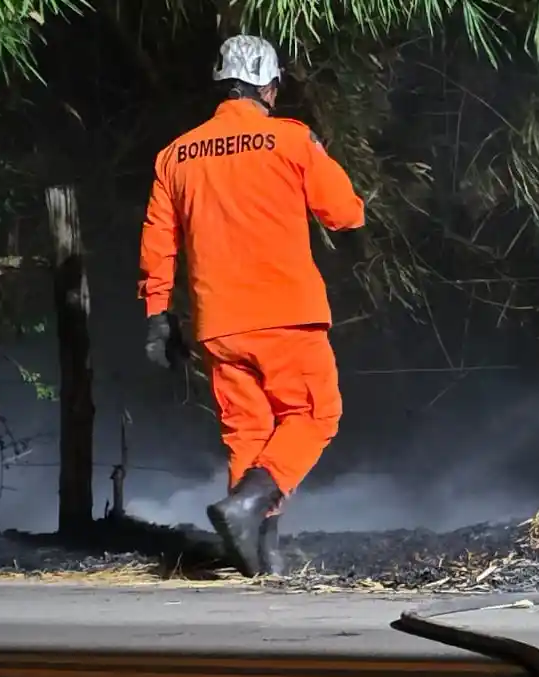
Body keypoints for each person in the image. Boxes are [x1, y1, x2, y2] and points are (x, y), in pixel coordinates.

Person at [138, 34, 366, 576]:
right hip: (285, 314)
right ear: (269, 86)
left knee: (249, 432)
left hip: (218, 324)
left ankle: (260, 556)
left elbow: (157, 243)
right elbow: (345, 213)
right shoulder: (289, 139)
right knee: (315, 414)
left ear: (221, 84)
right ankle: (245, 505)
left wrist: (157, 317)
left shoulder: (176, 155)